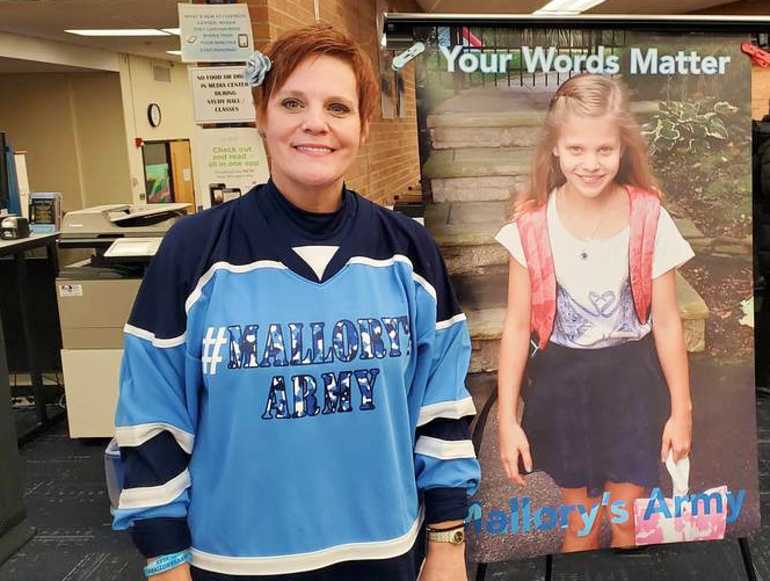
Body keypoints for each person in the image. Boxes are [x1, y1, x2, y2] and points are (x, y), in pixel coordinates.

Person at [112, 24, 480, 581]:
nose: (316, 123)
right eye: (292, 102)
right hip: (234, 560)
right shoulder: (195, 251)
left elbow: (442, 406)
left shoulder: (407, 251)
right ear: (262, 115)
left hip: (383, 553)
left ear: (362, 125)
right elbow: (153, 419)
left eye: (338, 106)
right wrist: (165, 558)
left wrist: (447, 544)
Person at [495, 74, 694, 551]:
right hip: (564, 386)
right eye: (577, 149)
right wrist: (506, 419)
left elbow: (667, 321)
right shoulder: (532, 226)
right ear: (556, 150)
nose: (590, 163)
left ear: (623, 149)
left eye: (604, 150)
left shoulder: (648, 217)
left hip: (632, 384)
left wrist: (682, 410)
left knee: (627, 524)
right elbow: (517, 326)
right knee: (580, 527)